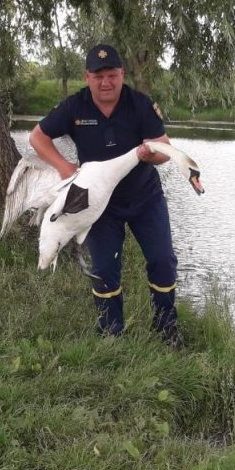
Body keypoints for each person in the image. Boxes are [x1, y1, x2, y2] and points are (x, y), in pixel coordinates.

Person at [29, 43, 182, 346]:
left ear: (121, 74)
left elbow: (164, 149)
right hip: (98, 205)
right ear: (87, 77)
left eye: (112, 75)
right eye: (98, 76)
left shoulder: (139, 103)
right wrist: (62, 166)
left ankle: (166, 328)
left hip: (144, 197)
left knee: (163, 260)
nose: (106, 82)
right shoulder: (75, 107)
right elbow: (37, 137)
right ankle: (111, 333)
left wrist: (147, 154)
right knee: (104, 267)